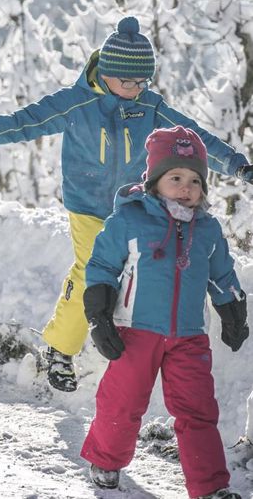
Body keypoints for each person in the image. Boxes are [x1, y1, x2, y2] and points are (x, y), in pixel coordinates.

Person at [0, 17, 252, 392]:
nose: (135, 89)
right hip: (86, 205)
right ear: (107, 73)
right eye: (128, 81)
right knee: (90, 269)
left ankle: (135, 351)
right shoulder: (77, 102)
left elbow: (193, 138)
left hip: (133, 206)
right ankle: (60, 348)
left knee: (136, 274)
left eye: (142, 82)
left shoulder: (150, 106)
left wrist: (235, 164)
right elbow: (26, 122)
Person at [81, 126, 248, 499]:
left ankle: (210, 486)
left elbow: (222, 275)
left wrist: (233, 309)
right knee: (122, 402)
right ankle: (105, 460)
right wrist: (99, 311)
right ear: (155, 181)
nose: (186, 187)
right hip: (136, 332)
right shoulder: (129, 220)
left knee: (198, 411)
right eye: (175, 177)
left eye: (194, 180)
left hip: (189, 337)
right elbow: (102, 266)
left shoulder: (207, 230)